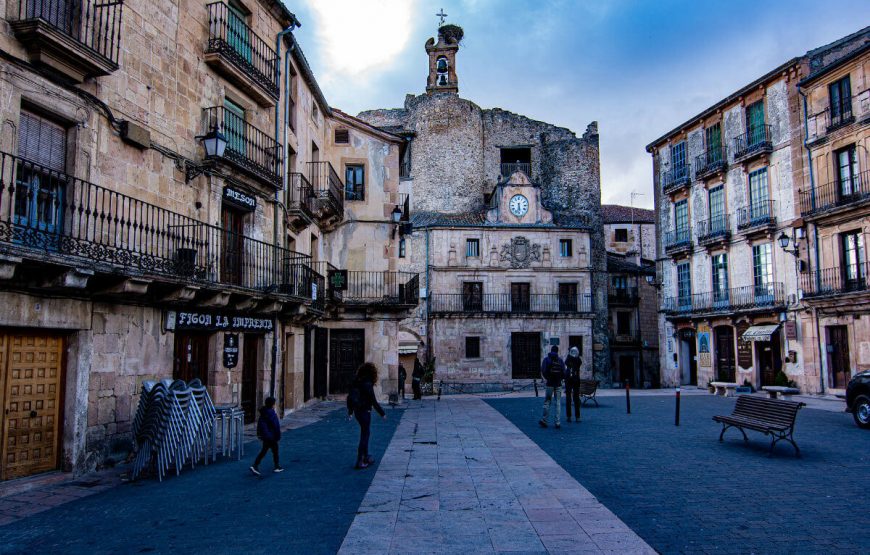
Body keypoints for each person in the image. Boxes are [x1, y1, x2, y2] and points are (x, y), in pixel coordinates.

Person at [348, 362, 386, 469]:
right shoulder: (368, 384)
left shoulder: (356, 382)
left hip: (357, 412)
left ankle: (365, 457)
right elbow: (373, 401)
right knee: (365, 435)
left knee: (365, 433)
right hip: (365, 412)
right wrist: (382, 413)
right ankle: (360, 460)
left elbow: (350, 397)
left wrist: (350, 412)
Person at [250, 397, 283, 476]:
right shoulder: (271, 413)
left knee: (265, 451)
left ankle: (256, 465)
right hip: (271, 436)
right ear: (272, 404)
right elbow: (275, 425)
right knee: (274, 451)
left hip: (267, 435)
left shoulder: (264, 412)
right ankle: (276, 466)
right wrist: (277, 435)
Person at [539, 345, 566, 429]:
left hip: (549, 384)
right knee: (558, 402)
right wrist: (560, 379)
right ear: (557, 351)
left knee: (547, 401)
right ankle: (557, 422)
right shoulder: (560, 360)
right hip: (558, 384)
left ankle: (544, 420)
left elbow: (543, 370)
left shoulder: (546, 360)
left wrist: (548, 378)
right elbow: (564, 372)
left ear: (551, 350)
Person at [564, 346, 583, 422]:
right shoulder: (577, 360)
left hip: (569, 380)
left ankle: (569, 416)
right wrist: (576, 355)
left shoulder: (569, 359)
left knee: (568, 398)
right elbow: (580, 362)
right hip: (575, 380)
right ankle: (577, 417)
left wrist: (570, 355)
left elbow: (566, 362)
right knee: (576, 399)